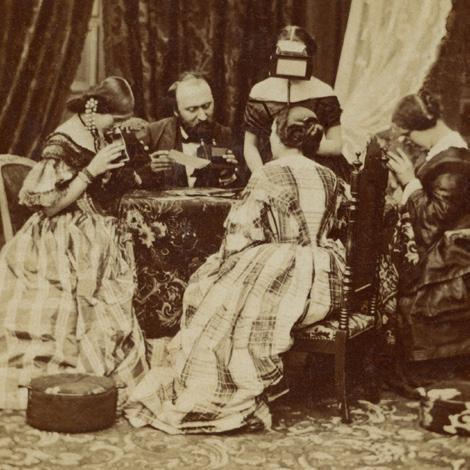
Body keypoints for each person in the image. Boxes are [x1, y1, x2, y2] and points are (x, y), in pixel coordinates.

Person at [125, 106, 347, 434]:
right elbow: (339, 225)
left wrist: (226, 264)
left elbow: (240, 232)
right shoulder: (330, 176)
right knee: (227, 290)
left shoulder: (268, 174)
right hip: (327, 280)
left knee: (213, 292)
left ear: (278, 137)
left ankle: (218, 390)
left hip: (287, 274)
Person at [0, 76, 149, 410]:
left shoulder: (101, 132)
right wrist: (92, 170)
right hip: (60, 234)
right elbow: (50, 206)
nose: (119, 127)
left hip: (97, 228)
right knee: (66, 308)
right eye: (117, 120)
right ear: (95, 109)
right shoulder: (63, 140)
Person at [383, 90, 470, 367]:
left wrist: (409, 182)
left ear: (423, 127)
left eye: (409, 135)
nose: (408, 141)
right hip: (443, 252)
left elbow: (432, 222)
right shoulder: (442, 152)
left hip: (450, 260)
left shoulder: (453, 161)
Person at [243, 25, 351, 181]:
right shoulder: (260, 91)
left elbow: (336, 145)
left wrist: (301, 147)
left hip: (317, 167)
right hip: (271, 168)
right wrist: (261, 176)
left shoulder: (323, 91)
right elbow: (250, 145)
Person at [140, 71, 243, 189]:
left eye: (206, 106)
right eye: (192, 109)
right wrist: (150, 170)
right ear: (176, 111)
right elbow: (133, 180)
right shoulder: (154, 134)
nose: (202, 116)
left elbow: (241, 189)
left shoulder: (227, 135)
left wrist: (228, 176)